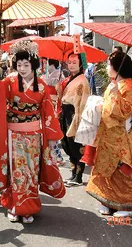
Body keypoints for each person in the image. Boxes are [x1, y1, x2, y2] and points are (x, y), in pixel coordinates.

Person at [0, 40, 65, 224]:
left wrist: (52, 137)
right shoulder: (9, 81)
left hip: (34, 135)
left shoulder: (41, 84)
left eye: (26, 65)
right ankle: (15, 206)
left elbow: (47, 111)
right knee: (16, 171)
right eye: (19, 65)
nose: (22, 68)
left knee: (31, 171)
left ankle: (29, 206)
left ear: (33, 65)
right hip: (13, 134)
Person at [86, 51, 132, 217]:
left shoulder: (128, 85)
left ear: (117, 67)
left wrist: (114, 95)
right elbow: (108, 105)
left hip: (121, 134)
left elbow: (124, 111)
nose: (106, 68)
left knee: (120, 169)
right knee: (105, 168)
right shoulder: (116, 83)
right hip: (108, 133)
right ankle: (107, 201)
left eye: (108, 65)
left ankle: (126, 206)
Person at [58, 52, 90, 186]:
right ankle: (73, 173)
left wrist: (79, 118)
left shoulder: (82, 80)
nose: (71, 65)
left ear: (80, 64)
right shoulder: (69, 79)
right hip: (66, 113)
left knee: (76, 144)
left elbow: (82, 102)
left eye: (74, 63)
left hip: (75, 113)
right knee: (67, 143)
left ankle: (78, 175)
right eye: (69, 62)